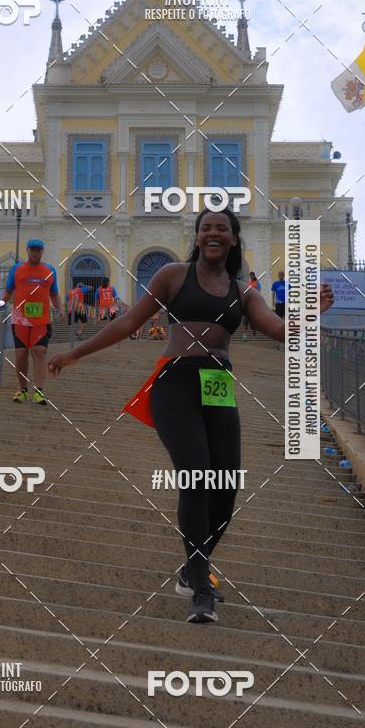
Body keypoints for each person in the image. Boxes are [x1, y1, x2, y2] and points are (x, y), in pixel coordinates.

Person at [49, 208, 334, 623]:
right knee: (197, 476)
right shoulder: (173, 275)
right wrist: (74, 353)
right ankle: (201, 586)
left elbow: (278, 329)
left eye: (222, 228)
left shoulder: (244, 293)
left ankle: (190, 568)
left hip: (218, 385)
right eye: (206, 228)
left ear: (233, 239)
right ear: (197, 237)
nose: (213, 234)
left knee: (227, 487)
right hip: (176, 383)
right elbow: (128, 322)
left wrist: (311, 312)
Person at [0, 239, 64, 405]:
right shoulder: (17, 269)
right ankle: (23, 390)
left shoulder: (50, 271)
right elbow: (8, 291)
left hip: (41, 320)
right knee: (21, 354)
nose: (35, 253)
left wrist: (60, 309)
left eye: (38, 250)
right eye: (32, 250)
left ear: (42, 251)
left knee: (39, 351)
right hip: (20, 319)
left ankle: (39, 391)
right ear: (27, 250)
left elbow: (54, 294)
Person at [241, 271, 261, 340]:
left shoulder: (257, 283)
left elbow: (258, 292)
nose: (251, 277)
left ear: (254, 276)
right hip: (247, 304)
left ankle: (254, 335)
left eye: (251, 276)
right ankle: (244, 336)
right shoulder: (248, 283)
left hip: (254, 304)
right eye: (250, 276)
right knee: (244, 321)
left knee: (253, 324)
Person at [271, 271, 287, 350]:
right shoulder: (275, 284)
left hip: (285, 303)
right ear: (278, 275)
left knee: (285, 319)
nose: (281, 276)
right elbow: (273, 293)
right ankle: (279, 341)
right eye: (279, 274)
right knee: (279, 319)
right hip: (278, 303)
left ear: (283, 276)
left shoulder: (287, 284)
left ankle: (284, 340)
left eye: (282, 275)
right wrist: (273, 301)